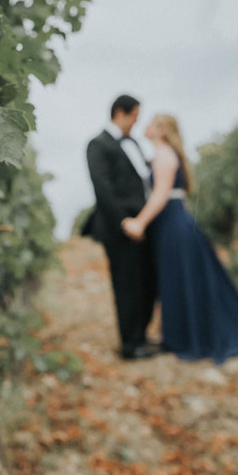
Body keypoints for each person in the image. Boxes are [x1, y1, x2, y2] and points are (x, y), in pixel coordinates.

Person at [121, 114, 238, 364]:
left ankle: (184, 338)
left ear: (161, 130)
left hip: (170, 223)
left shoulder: (164, 154)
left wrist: (139, 222)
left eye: (151, 123)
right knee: (181, 278)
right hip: (174, 222)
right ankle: (183, 336)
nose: (146, 126)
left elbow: (160, 195)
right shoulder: (166, 154)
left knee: (179, 279)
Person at [84, 95, 159, 360]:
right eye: (135, 116)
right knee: (127, 284)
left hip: (143, 224)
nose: (136, 122)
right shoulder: (97, 144)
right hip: (120, 227)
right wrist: (123, 221)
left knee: (146, 282)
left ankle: (141, 335)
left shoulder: (135, 143)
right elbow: (102, 189)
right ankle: (130, 345)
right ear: (120, 113)